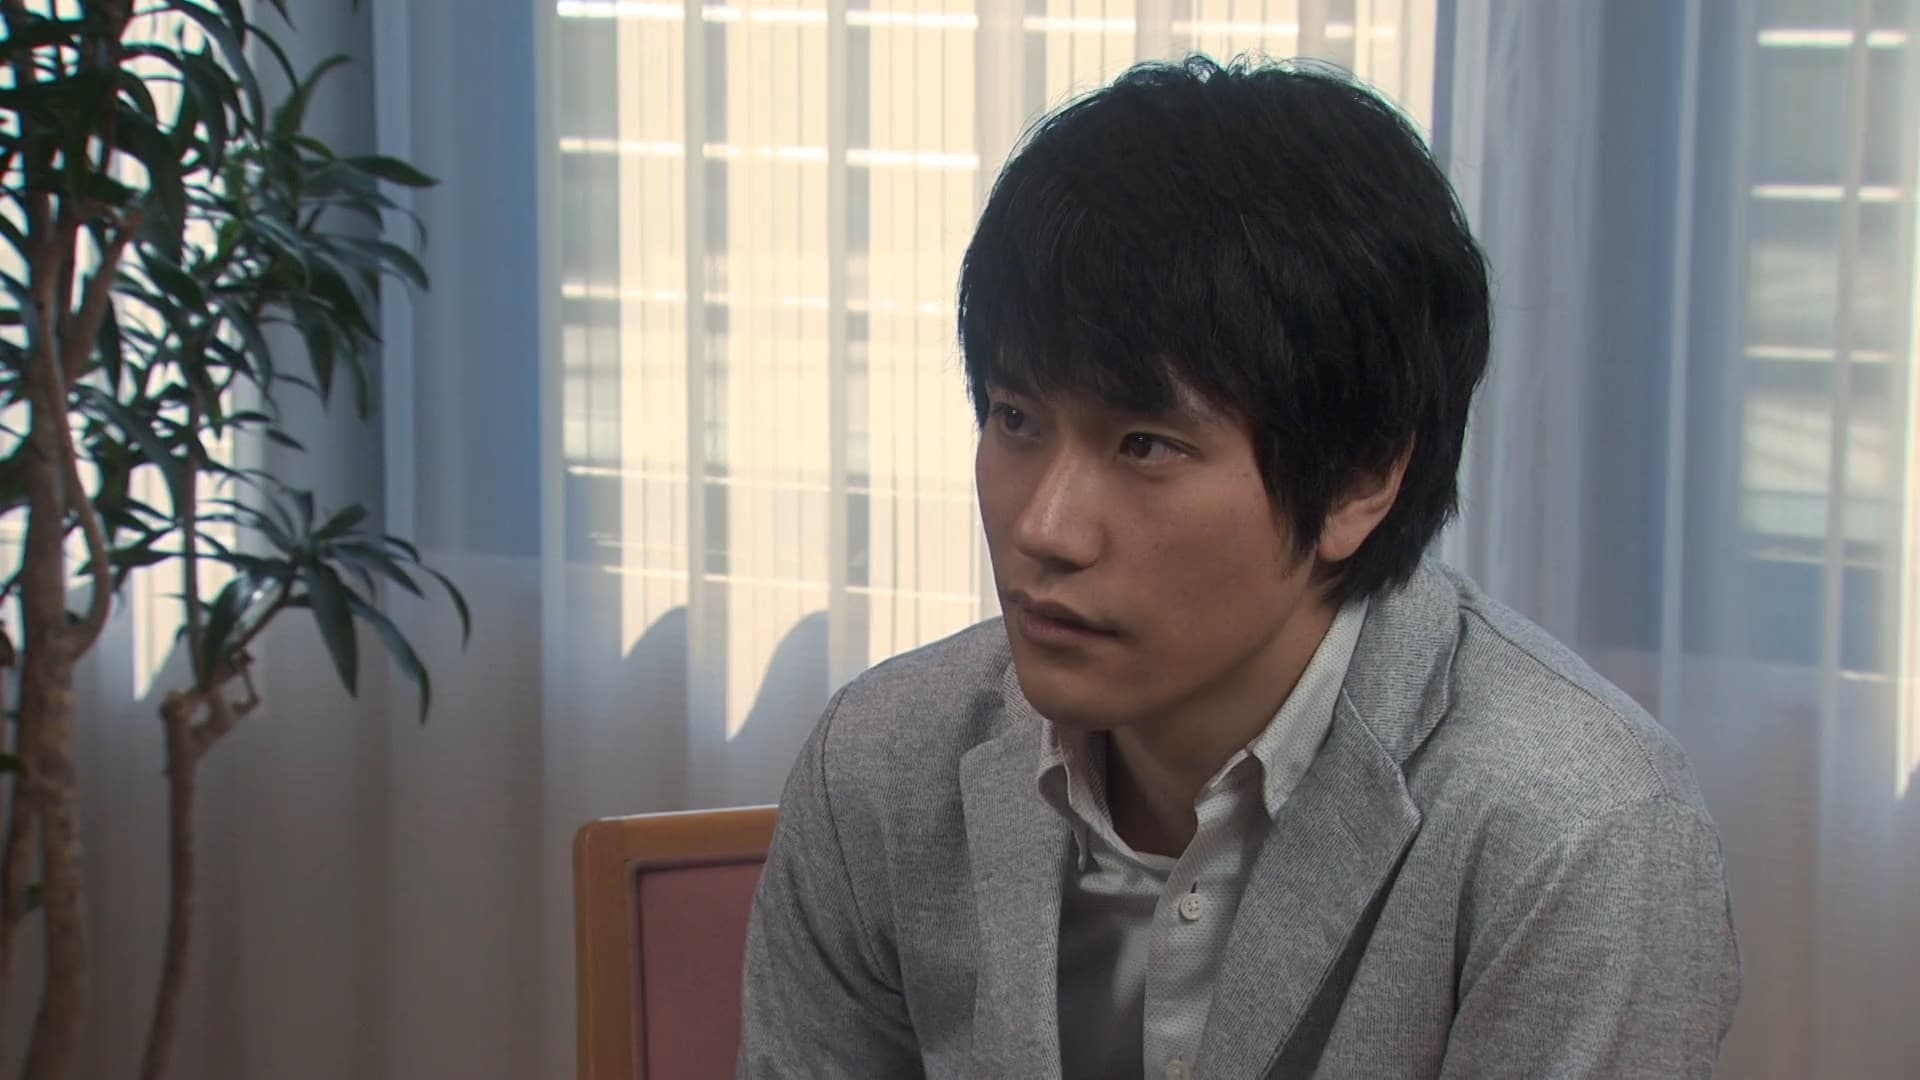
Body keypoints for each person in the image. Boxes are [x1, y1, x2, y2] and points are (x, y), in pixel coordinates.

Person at [738, 55, 1741, 1079]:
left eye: (1145, 446)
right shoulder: (884, 767)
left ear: (1360, 478)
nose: (1044, 526)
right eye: (1015, 418)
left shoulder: (1575, 833)